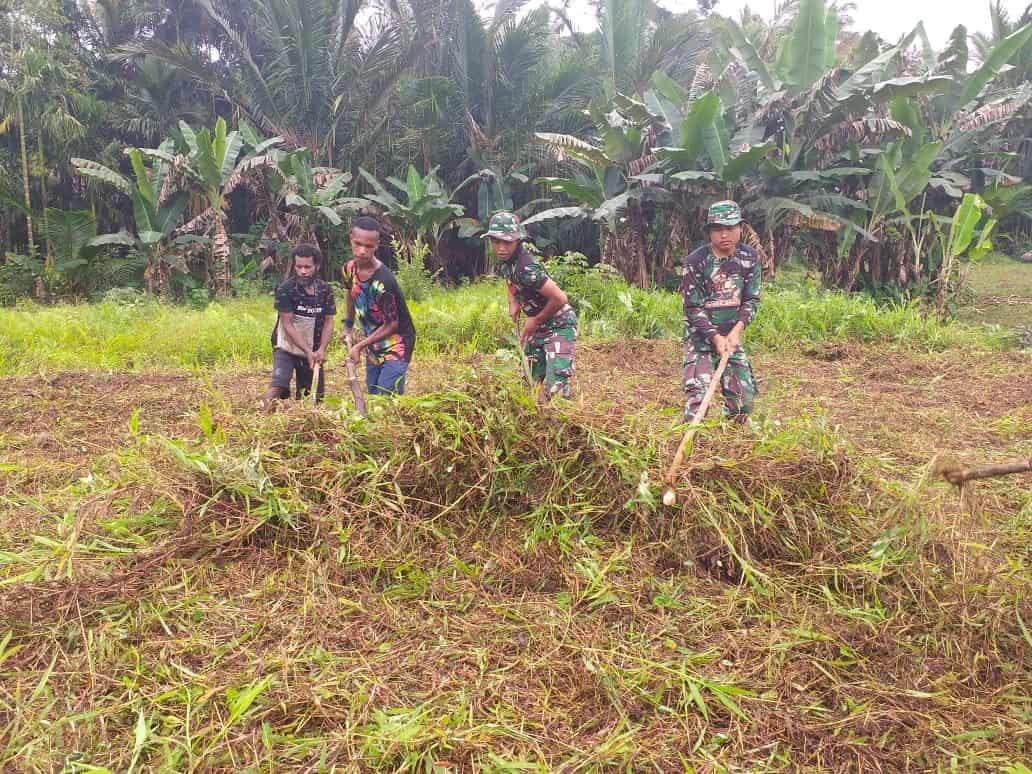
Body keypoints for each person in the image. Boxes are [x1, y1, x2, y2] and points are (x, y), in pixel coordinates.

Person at [680, 200, 761, 423]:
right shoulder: (696, 261)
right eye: (718, 229)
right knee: (698, 401)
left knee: (743, 403)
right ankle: (693, 446)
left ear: (740, 229)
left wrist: (736, 332)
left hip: (732, 337)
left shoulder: (749, 258)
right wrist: (715, 337)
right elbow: (692, 308)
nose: (724, 234)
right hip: (701, 338)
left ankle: (733, 444)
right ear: (709, 232)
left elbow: (751, 300)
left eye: (730, 228)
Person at [486, 211, 577, 400]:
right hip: (537, 328)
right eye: (496, 241)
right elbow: (510, 283)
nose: (501, 248)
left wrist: (535, 320)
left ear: (517, 241)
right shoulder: (506, 263)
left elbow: (560, 298)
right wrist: (513, 303)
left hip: (559, 324)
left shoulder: (527, 268)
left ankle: (562, 415)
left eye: (507, 242)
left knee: (556, 386)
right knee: (529, 379)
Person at [341, 216, 416, 395]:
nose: (362, 251)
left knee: (386, 395)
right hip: (373, 342)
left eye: (368, 246)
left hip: (397, 343)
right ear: (351, 239)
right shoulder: (348, 269)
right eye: (358, 244)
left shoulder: (383, 281)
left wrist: (358, 346)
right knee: (373, 392)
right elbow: (350, 294)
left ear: (376, 245)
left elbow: (392, 324)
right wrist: (348, 326)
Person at [261, 243, 336, 407]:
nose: (303, 271)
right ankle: (263, 419)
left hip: (313, 348)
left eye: (307, 267)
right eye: (299, 266)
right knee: (279, 386)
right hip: (286, 346)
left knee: (314, 396)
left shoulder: (325, 290)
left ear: (316, 266)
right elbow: (287, 325)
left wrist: (321, 349)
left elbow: (329, 321)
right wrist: (307, 351)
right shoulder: (285, 290)